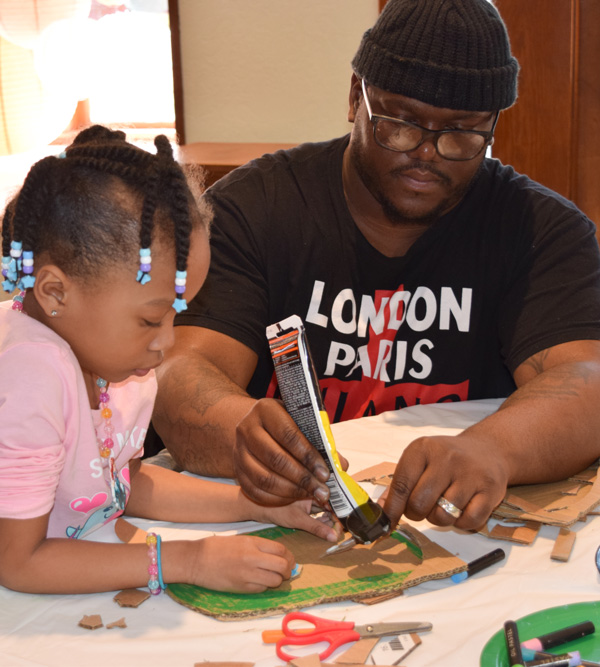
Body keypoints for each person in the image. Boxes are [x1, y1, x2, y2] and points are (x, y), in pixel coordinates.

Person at [151, 0, 600, 536]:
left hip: (447, 532)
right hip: (275, 525)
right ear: (354, 96)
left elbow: (587, 379)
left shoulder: (540, 229)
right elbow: (177, 371)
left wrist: (494, 449)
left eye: (461, 133)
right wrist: (238, 429)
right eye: (402, 123)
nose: (427, 153)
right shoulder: (255, 209)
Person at [0, 125, 340, 597]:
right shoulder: (31, 372)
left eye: (176, 316)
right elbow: (18, 562)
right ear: (56, 292)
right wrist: (187, 560)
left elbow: (122, 483)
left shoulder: (112, 358)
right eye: (151, 319)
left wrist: (252, 505)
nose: (166, 343)